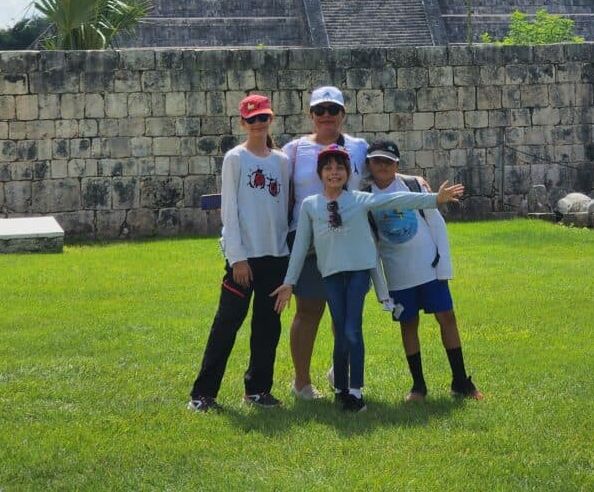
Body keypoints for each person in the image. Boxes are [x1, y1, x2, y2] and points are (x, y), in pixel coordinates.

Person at [272, 144, 464, 413]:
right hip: (331, 276)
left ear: (349, 173)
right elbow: (301, 246)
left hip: (359, 274)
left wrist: (434, 199)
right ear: (320, 173)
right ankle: (341, 390)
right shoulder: (310, 205)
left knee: (352, 330)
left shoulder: (359, 199)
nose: (334, 173)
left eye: (340, 168)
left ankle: (355, 391)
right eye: (328, 168)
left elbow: (397, 200)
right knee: (341, 333)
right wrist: (289, 282)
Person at [188, 94, 290, 411]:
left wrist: (286, 257)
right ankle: (202, 395)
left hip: (275, 255)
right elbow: (229, 210)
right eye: (252, 119)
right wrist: (237, 258)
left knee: (267, 327)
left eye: (263, 118)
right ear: (243, 123)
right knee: (226, 325)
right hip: (245, 257)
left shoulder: (282, 161)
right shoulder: (236, 158)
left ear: (271, 119)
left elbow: (284, 209)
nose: (258, 123)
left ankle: (257, 389)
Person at [365, 138, 483, 402]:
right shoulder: (366, 198)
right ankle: (418, 386)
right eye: (377, 161)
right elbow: (372, 245)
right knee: (408, 324)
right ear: (368, 164)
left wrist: (444, 267)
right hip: (398, 273)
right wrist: (381, 290)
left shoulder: (413, 185)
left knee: (447, 317)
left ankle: (461, 381)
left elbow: (436, 224)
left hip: (429, 266)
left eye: (388, 161)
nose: (383, 166)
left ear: (397, 164)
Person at [281, 86, 369, 400]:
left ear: (343, 114)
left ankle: (339, 369)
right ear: (311, 115)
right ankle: (302, 382)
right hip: (307, 239)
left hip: (346, 237)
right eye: (320, 110)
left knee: (344, 312)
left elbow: (383, 173)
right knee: (308, 310)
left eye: (333, 110)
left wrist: (414, 180)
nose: (326, 116)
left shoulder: (358, 147)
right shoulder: (293, 150)